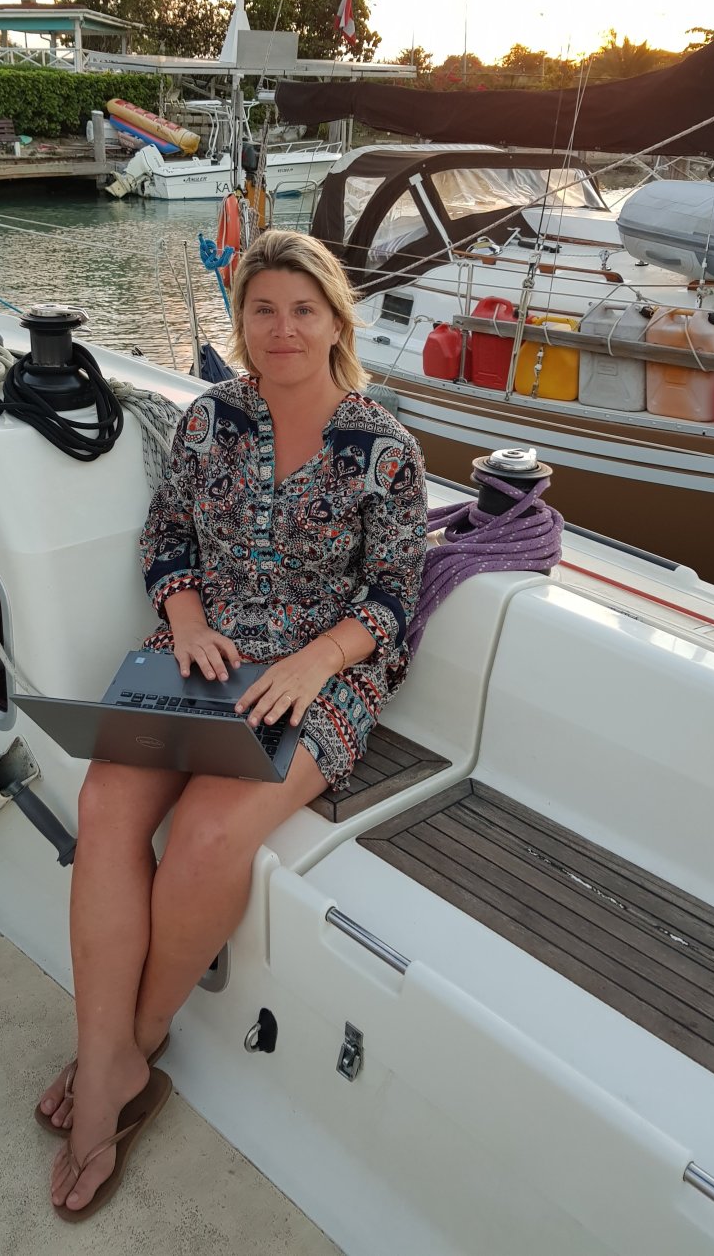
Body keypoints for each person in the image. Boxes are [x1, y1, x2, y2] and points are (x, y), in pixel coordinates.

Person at [38, 228, 428, 1218]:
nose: (282, 328)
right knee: (106, 800)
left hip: (319, 674)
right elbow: (167, 535)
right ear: (241, 323)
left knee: (209, 834)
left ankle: (129, 1050)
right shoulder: (208, 420)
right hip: (198, 652)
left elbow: (393, 598)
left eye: (303, 310)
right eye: (263, 310)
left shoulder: (383, 448)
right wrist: (184, 620)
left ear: (335, 322)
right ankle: (108, 1055)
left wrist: (313, 659)